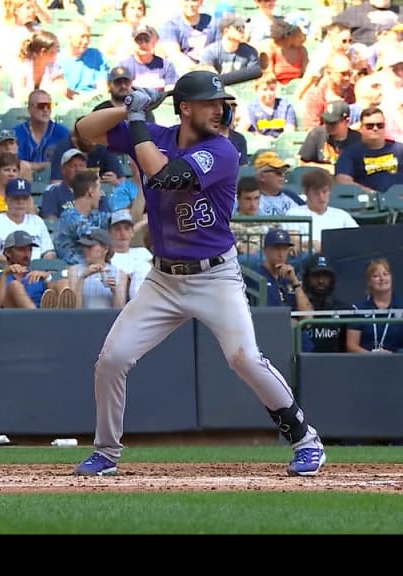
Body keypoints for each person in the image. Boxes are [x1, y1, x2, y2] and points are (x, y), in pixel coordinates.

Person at [70, 70, 326, 476]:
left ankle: (305, 439)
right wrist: (129, 106)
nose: (220, 110)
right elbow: (83, 131)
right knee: (112, 359)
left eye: (221, 103)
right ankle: (105, 451)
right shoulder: (154, 133)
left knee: (244, 357)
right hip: (164, 279)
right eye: (209, 103)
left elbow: (166, 176)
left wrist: (136, 121)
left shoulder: (221, 150)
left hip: (215, 276)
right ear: (185, 108)